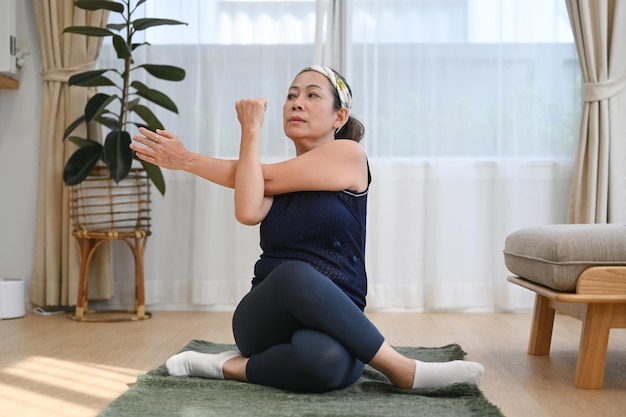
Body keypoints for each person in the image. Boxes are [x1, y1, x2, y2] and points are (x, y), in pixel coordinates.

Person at [130, 65, 484, 393]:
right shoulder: (267, 178)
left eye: (312, 95)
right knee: (293, 274)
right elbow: (247, 210)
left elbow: (262, 176)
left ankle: (224, 366)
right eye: (291, 95)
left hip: (337, 314)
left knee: (327, 366)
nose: (297, 103)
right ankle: (400, 369)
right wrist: (250, 131)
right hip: (266, 317)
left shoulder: (349, 155)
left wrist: (188, 160)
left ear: (339, 117)